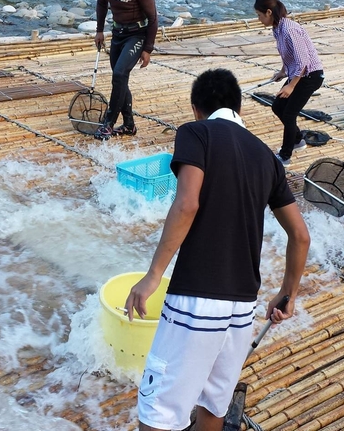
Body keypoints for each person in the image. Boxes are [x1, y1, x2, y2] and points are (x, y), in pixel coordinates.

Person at [124, 68, 310, 431]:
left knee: (159, 413)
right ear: (239, 107)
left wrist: (152, 276)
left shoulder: (196, 133)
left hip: (196, 301)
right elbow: (300, 235)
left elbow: (187, 204)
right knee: (213, 407)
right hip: (241, 308)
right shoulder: (267, 157)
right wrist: (288, 294)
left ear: (198, 109)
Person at [253, 0, 325, 167]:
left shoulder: (290, 29)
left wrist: (291, 86)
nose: (259, 19)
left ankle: (285, 156)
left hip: (310, 75)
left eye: (259, 15)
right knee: (278, 106)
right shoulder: (277, 29)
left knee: (289, 113)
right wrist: (283, 71)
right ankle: (298, 139)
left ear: (269, 12)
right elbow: (289, 56)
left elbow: (303, 62)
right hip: (298, 74)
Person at [93, 0, 158, 140]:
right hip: (117, 34)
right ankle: (129, 125)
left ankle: (108, 124)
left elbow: (153, 18)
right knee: (120, 78)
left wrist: (147, 49)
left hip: (136, 34)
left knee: (120, 74)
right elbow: (101, 4)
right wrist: (99, 30)